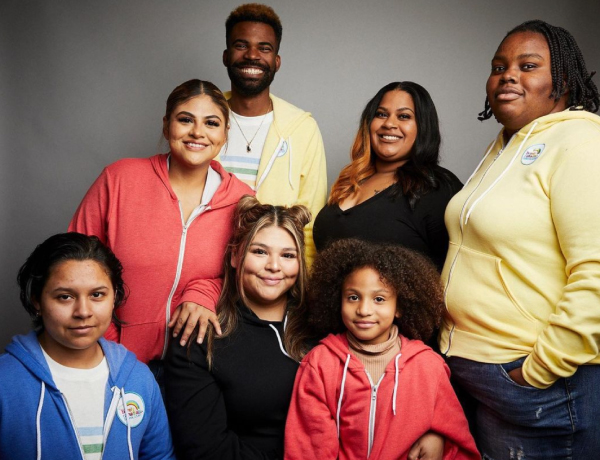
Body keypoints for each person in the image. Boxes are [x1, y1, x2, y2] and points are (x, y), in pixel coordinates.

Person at [440, 20, 600, 459]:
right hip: (479, 372)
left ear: (563, 80)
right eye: (499, 66)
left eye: (527, 65)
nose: (507, 75)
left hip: (536, 385)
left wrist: (537, 371)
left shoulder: (582, 141)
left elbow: (596, 272)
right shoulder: (505, 147)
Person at [69, 80, 253, 371]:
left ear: (225, 133)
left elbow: (245, 277)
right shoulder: (119, 179)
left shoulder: (243, 200)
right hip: (109, 355)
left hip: (196, 365)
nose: (197, 132)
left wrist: (203, 293)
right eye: (185, 120)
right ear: (167, 126)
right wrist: (110, 342)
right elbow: (72, 264)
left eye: (211, 123)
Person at [285, 239, 479, 460]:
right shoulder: (320, 363)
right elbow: (308, 448)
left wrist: (439, 438)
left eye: (379, 299)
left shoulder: (428, 366)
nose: (364, 309)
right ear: (336, 300)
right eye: (353, 297)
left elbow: (458, 444)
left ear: (399, 307)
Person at [0, 233, 175, 460]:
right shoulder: (5, 381)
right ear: (37, 301)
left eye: (97, 295)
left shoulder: (139, 380)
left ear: (115, 298)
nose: (83, 311)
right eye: (65, 297)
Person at [165, 196, 313, 459]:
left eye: (288, 255)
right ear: (235, 255)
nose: (274, 266)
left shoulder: (319, 324)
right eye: (259, 252)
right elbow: (205, 449)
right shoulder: (201, 332)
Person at [218, 3, 327, 266]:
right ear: (226, 56)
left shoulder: (302, 127)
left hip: (271, 276)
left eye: (264, 48)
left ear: (276, 62)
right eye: (241, 45)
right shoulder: (202, 117)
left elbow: (311, 223)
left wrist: (304, 292)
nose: (252, 55)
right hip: (205, 272)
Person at [313, 82, 462, 271]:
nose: (389, 124)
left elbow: (455, 269)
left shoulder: (436, 188)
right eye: (381, 114)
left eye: (404, 116)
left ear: (423, 127)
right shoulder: (351, 180)